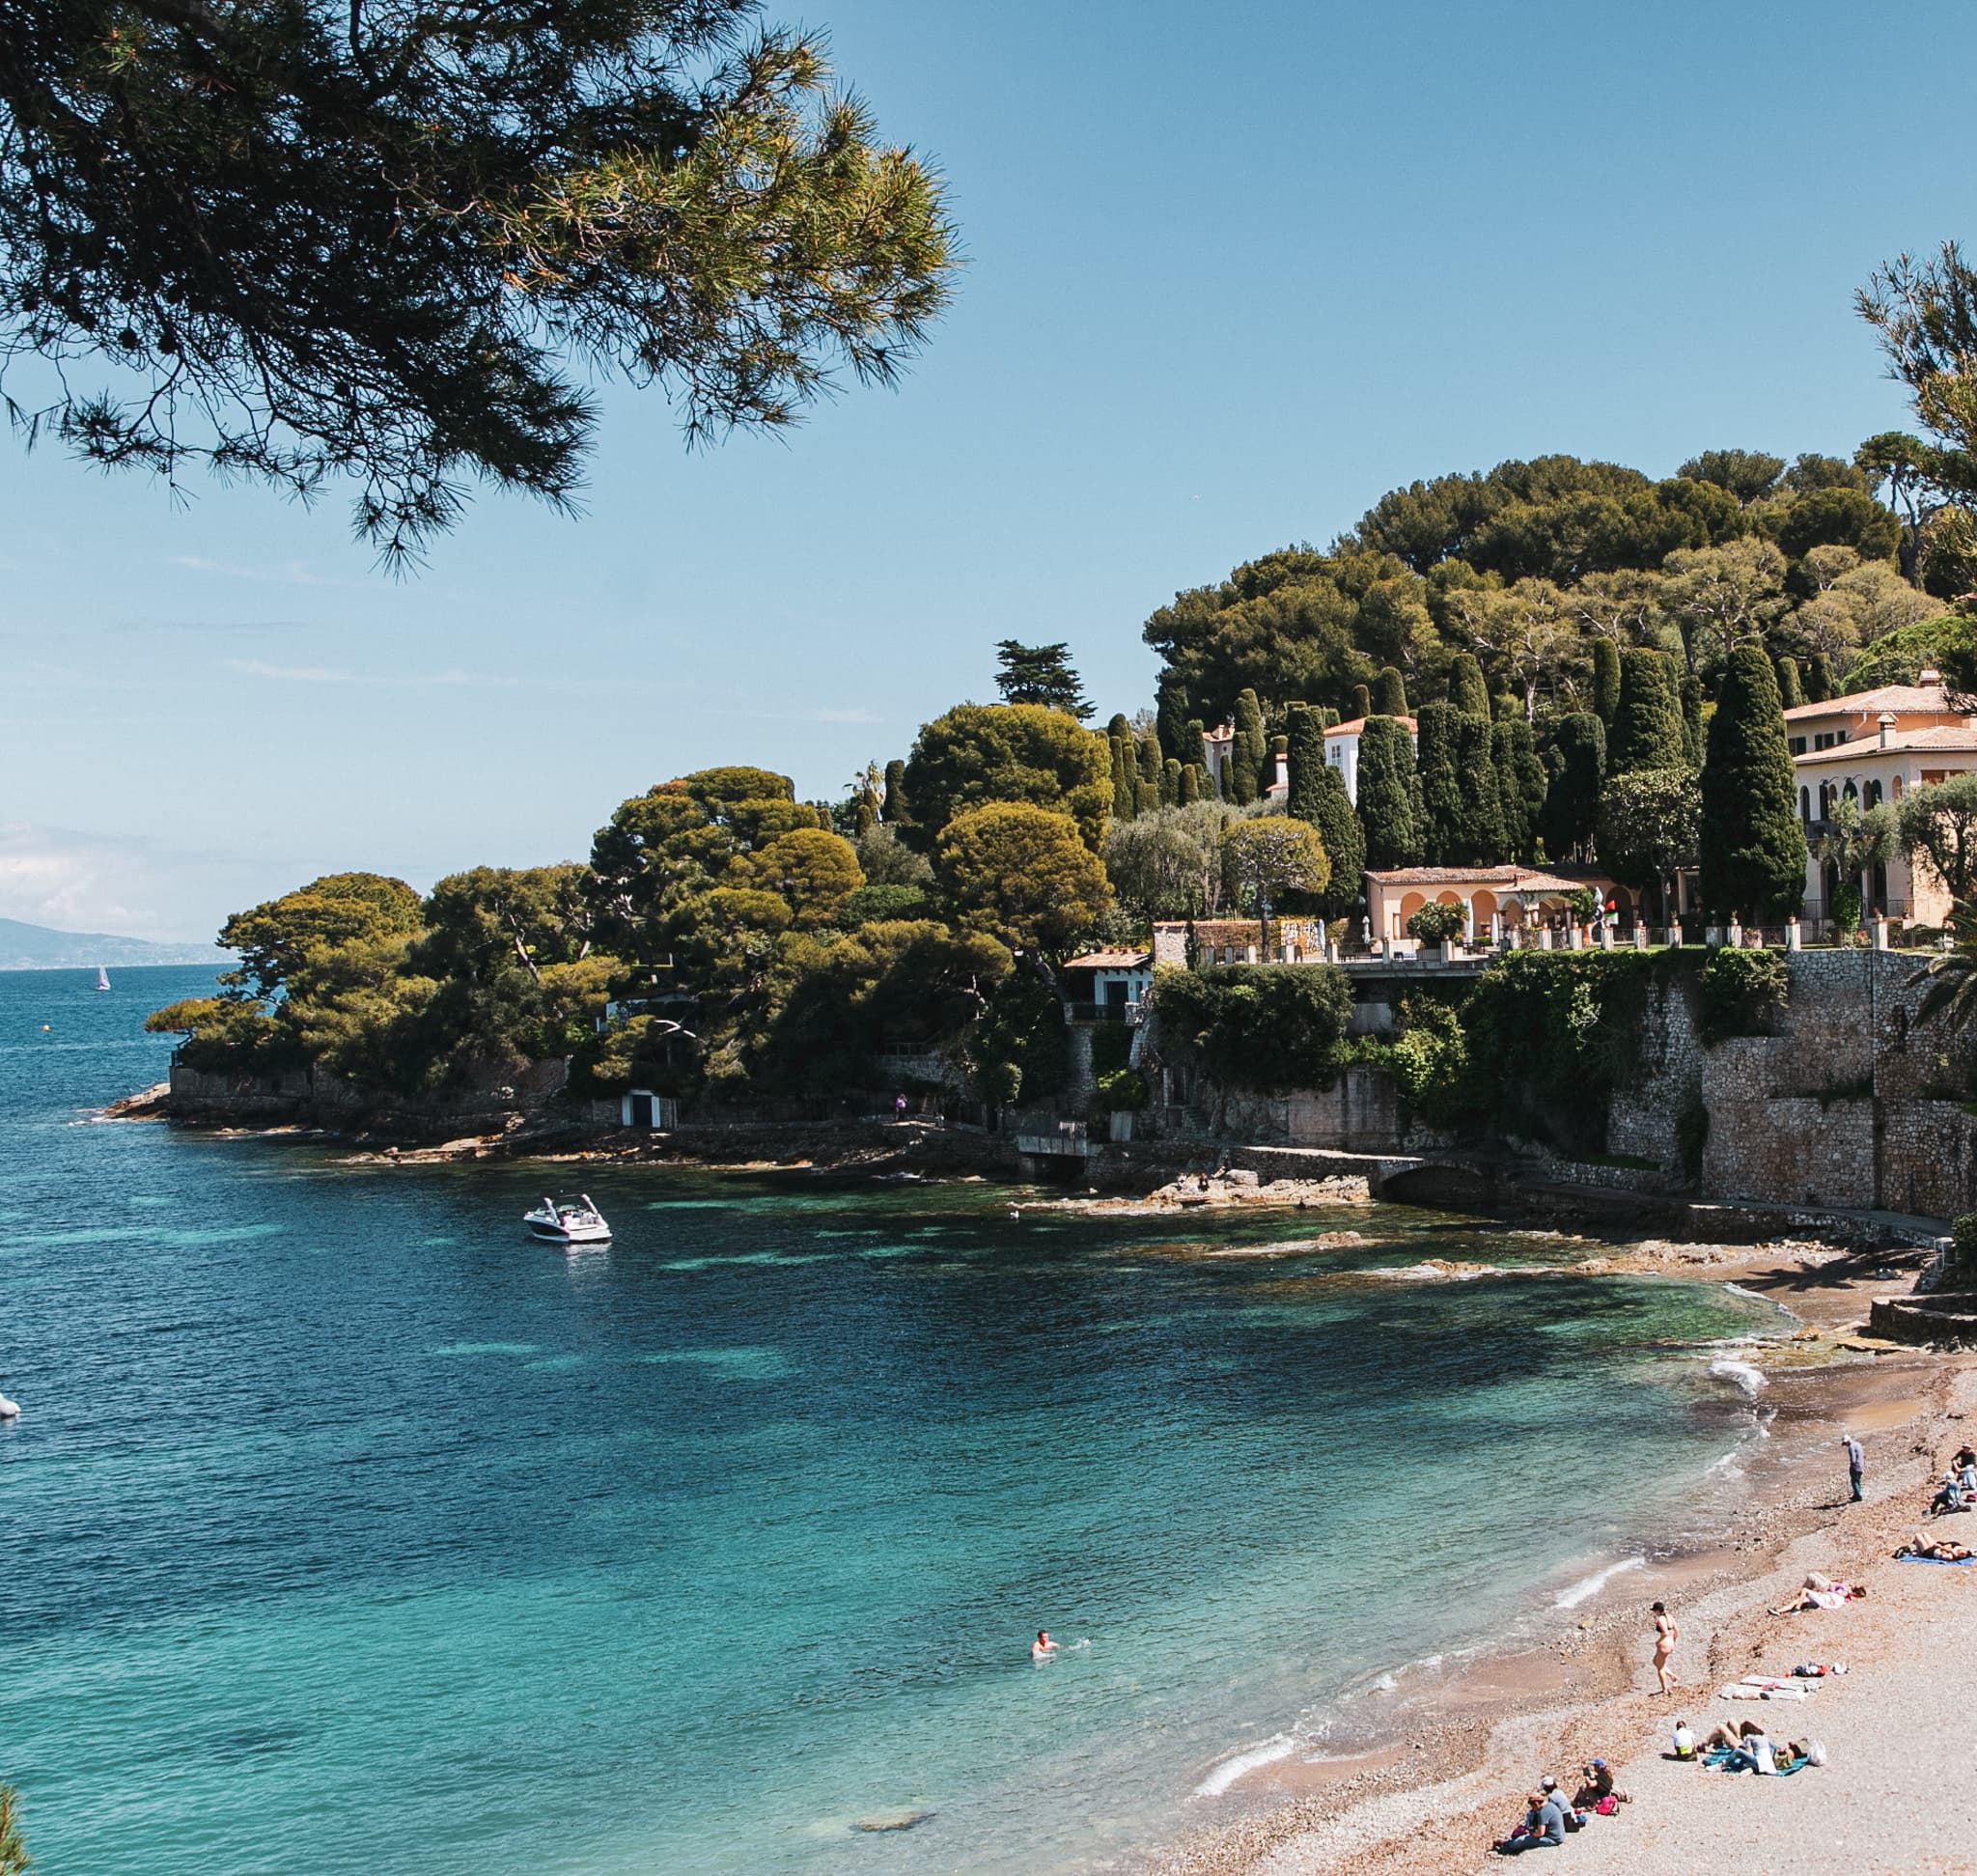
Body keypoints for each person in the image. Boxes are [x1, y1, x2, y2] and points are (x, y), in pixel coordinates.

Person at [1494, 1790, 1566, 1855]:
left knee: (1523, 1840)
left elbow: (1540, 1833)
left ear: (1536, 1803)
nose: (1532, 1808)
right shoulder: (1551, 1806)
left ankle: (1506, 1847)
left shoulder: (1543, 1812)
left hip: (1553, 1839)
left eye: (1532, 1806)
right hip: (1559, 1836)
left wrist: (1531, 1834)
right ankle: (1507, 1843)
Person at [1651, 1601, 1679, 1694]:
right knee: (1656, 1661)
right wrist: (1674, 1641)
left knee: (1660, 1668)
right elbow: (1676, 1630)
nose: (1654, 1613)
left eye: (1654, 1611)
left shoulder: (1661, 1619)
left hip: (1664, 1644)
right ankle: (1672, 1676)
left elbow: (1665, 1633)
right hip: (1670, 1643)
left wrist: (1658, 1641)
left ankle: (1664, 1689)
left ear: (1657, 1611)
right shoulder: (1669, 1617)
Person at [1844, 1433, 1865, 1503]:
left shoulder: (1851, 1447)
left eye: (1845, 1443)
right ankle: (1856, 1494)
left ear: (1848, 1441)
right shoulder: (1858, 1444)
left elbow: (1853, 1459)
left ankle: (1858, 1496)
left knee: (1854, 1481)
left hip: (1856, 1466)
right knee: (1858, 1480)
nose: (1845, 1445)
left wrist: (1852, 1466)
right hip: (1861, 1465)